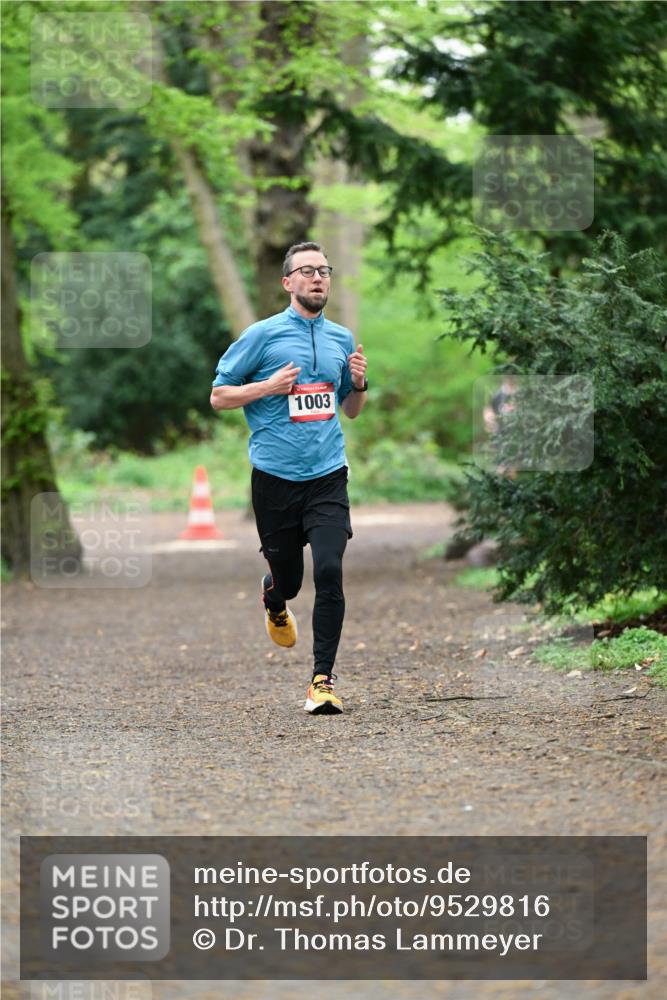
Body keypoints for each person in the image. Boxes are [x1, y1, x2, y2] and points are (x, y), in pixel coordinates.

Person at [210, 242, 368, 715]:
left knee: (329, 570)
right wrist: (268, 388)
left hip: (327, 476)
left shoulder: (342, 338)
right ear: (288, 282)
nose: (318, 277)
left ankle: (322, 681)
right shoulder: (262, 335)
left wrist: (358, 383)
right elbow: (219, 396)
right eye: (307, 271)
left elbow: (351, 411)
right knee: (292, 582)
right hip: (275, 478)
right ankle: (274, 597)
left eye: (324, 270)